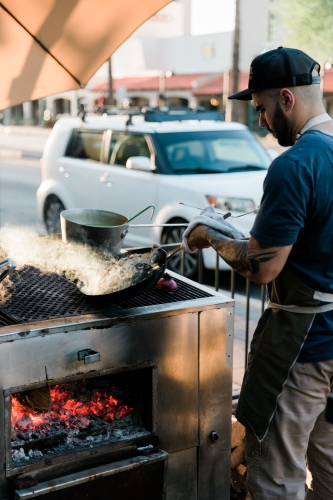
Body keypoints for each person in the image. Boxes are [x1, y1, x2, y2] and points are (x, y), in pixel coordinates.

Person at [184, 47, 333, 499]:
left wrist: (209, 235)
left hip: (302, 348)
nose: (262, 122)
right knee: (329, 466)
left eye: (263, 109)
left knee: (275, 476)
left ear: (286, 98)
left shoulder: (295, 164)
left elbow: (265, 267)